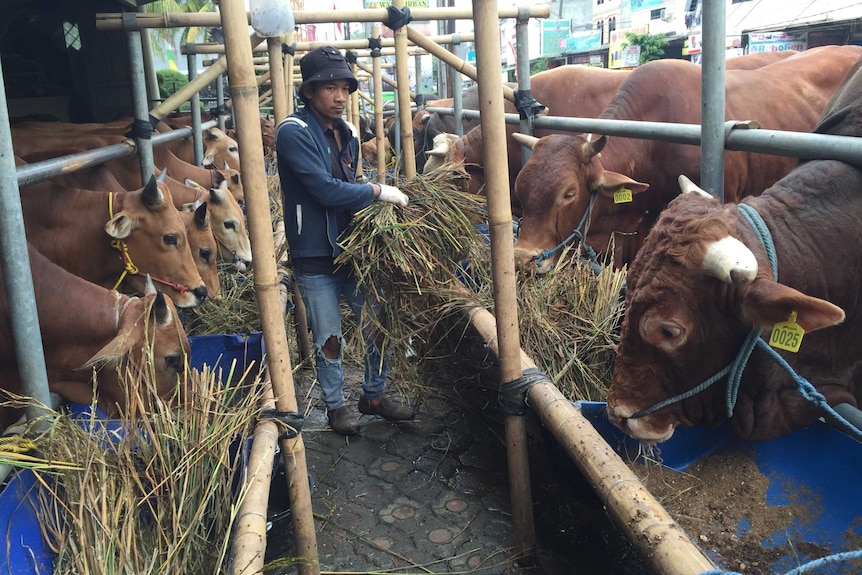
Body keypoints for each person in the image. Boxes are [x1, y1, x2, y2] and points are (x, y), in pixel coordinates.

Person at [275, 46, 414, 436]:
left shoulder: (348, 133)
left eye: (345, 88)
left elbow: (346, 183)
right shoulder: (293, 133)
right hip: (316, 253)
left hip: (354, 250)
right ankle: (336, 407)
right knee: (330, 337)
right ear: (309, 92)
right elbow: (324, 190)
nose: (339, 97)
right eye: (329, 88)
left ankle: (373, 394)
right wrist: (377, 193)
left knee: (378, 323)